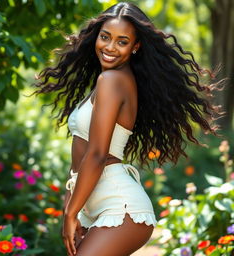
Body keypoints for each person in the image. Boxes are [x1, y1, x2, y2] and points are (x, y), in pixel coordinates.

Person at [34, 2, 220, 255]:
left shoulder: (112, 80)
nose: (110, 47)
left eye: (122, 42)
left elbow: (98, 154)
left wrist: (70, 213)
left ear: (136, 46)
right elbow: (80, 156)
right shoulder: (110, 81)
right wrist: (72, 204)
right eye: (105, 37)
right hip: (94, 205)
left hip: (119, 207)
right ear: (95, 37)